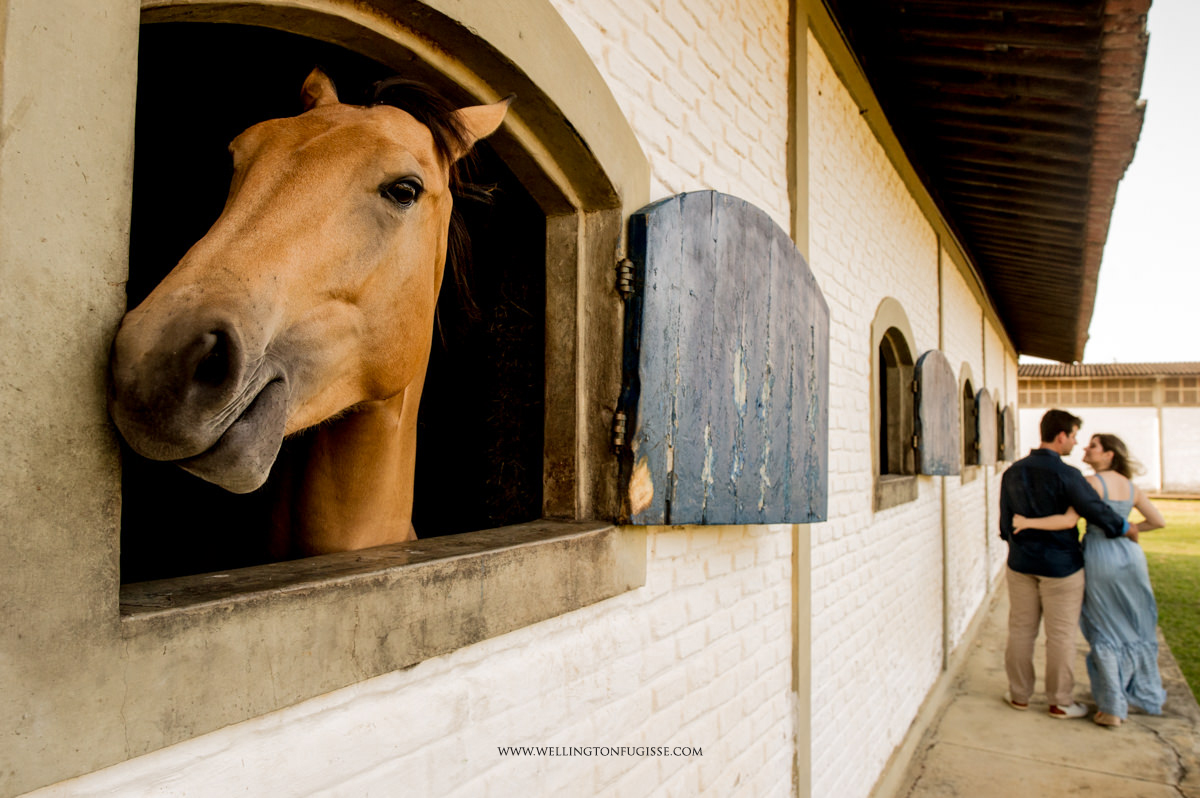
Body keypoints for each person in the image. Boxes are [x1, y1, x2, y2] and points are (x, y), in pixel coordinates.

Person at [1012, 433, 1167, 728]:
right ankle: (1133, 693)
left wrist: (1026, 522)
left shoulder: (1092, 484)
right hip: (1131, 557)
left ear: (1109, 455)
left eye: (1093, 446)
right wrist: (1131, 528)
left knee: (1103, 629)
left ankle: (1112, 707)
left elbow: (1069, 521)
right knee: (1132, 627)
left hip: (1100, 557)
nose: (1086, 448)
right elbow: (1158, 521)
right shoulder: (1131, 487)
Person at [998, 409, 1131, 719]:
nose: (1074, 443)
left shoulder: (1013, 471)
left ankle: (1019, 696)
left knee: (1020, 630)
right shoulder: (1068, 474)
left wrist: (1020, 545)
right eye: (1073, 436)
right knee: (1060, 635)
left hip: (1020, 563)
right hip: (1062, 568)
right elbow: (1094, 509)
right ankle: (1059, 701)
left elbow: (1005, 524)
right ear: (1061, 436)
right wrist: (1124, 527)